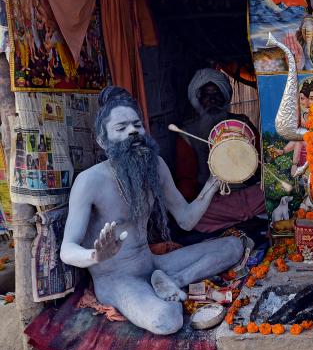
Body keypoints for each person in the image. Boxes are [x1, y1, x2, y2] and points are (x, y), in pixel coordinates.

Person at [60, 86, 245, 335]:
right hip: (117, 279)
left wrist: (212, 183)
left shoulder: (154, 166)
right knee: (167, 319)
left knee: (233, 246)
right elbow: (67, 250)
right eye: (121, 128)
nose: (133, 132)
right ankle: (164, 293)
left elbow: (187, 220)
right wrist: (96, 256)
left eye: (137, 125)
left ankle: (176, 282)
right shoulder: (89, 181)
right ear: (102, 141)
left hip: (154, 266)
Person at [175, 68, 265, 238]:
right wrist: (191, 202)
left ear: (225, 97)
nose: (213, 100)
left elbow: (260, 162)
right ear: (198, 99)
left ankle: (240, 215)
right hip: (213, 200)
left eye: (217, 94)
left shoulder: (241, 123)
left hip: (246, 192)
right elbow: (186, 180)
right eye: (207, 96)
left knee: (270, 192)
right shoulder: (186, 133)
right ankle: (246, 216)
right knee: (194, 215)